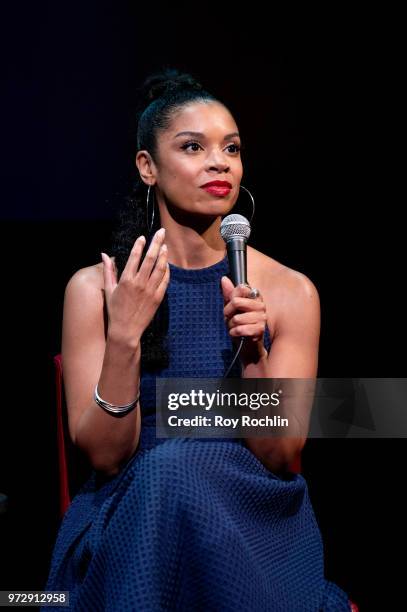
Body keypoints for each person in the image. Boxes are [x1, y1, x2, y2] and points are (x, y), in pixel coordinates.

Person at [43, 68, 353, 611]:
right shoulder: (96, 289)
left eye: (231, 148)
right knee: (170, 467)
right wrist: (125, 336)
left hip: (249, 522)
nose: (220, 163)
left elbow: (281, 454)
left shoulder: (290, 291)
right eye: (193, 147)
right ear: (148, 167)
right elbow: (105, 455)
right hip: (132, 514)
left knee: (180, 465)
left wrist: (254, 352)